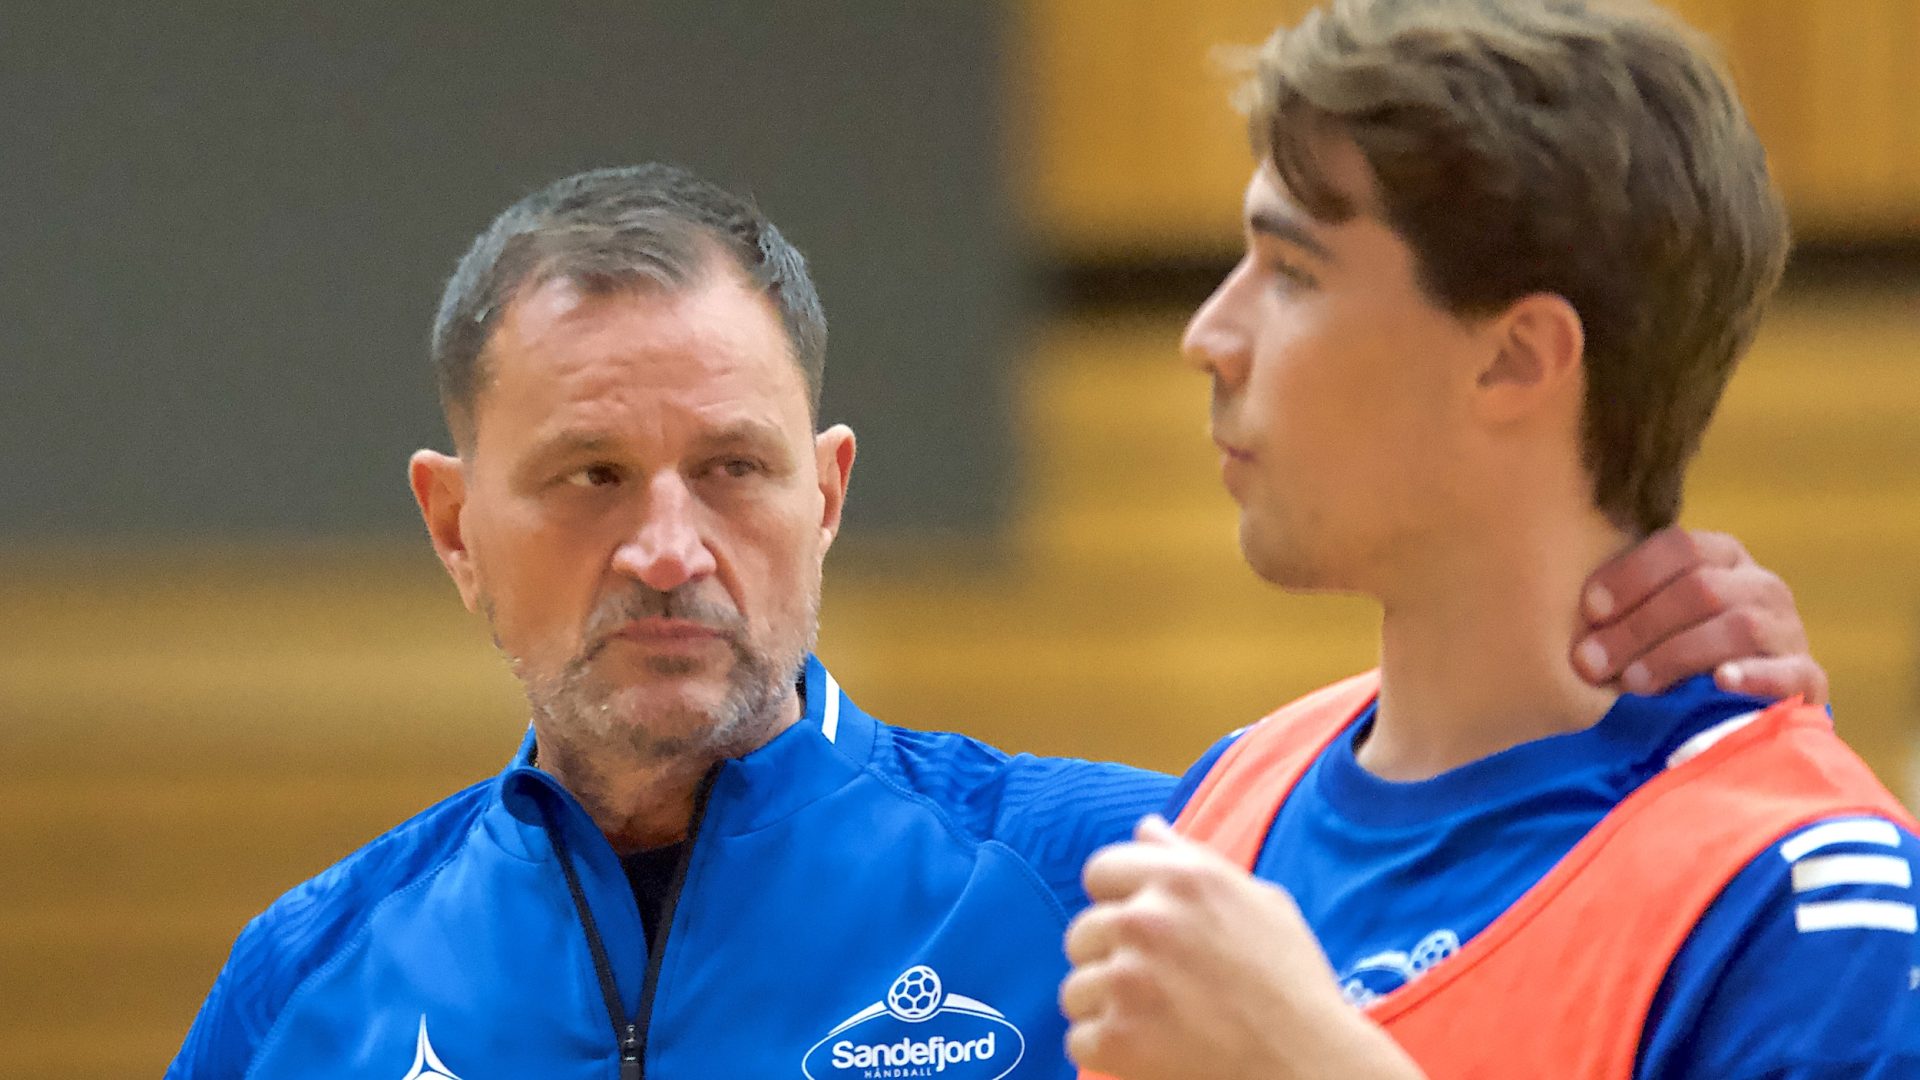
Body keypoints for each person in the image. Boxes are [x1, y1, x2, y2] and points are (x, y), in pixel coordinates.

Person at [169, 164, 1823, 1078]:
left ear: (827, 493)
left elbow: (1561, 939)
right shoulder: (300, 989)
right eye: (589, 477)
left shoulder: (1136, 876)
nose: (668, 551)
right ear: (456, 527)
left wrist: (1671, 715)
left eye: (732, 469)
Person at [1061, 3, 1920, 1079]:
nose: (1209, 336)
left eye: (1293, 272)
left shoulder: (1800, 894)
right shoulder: (1225, 804)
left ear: (1517, 359)